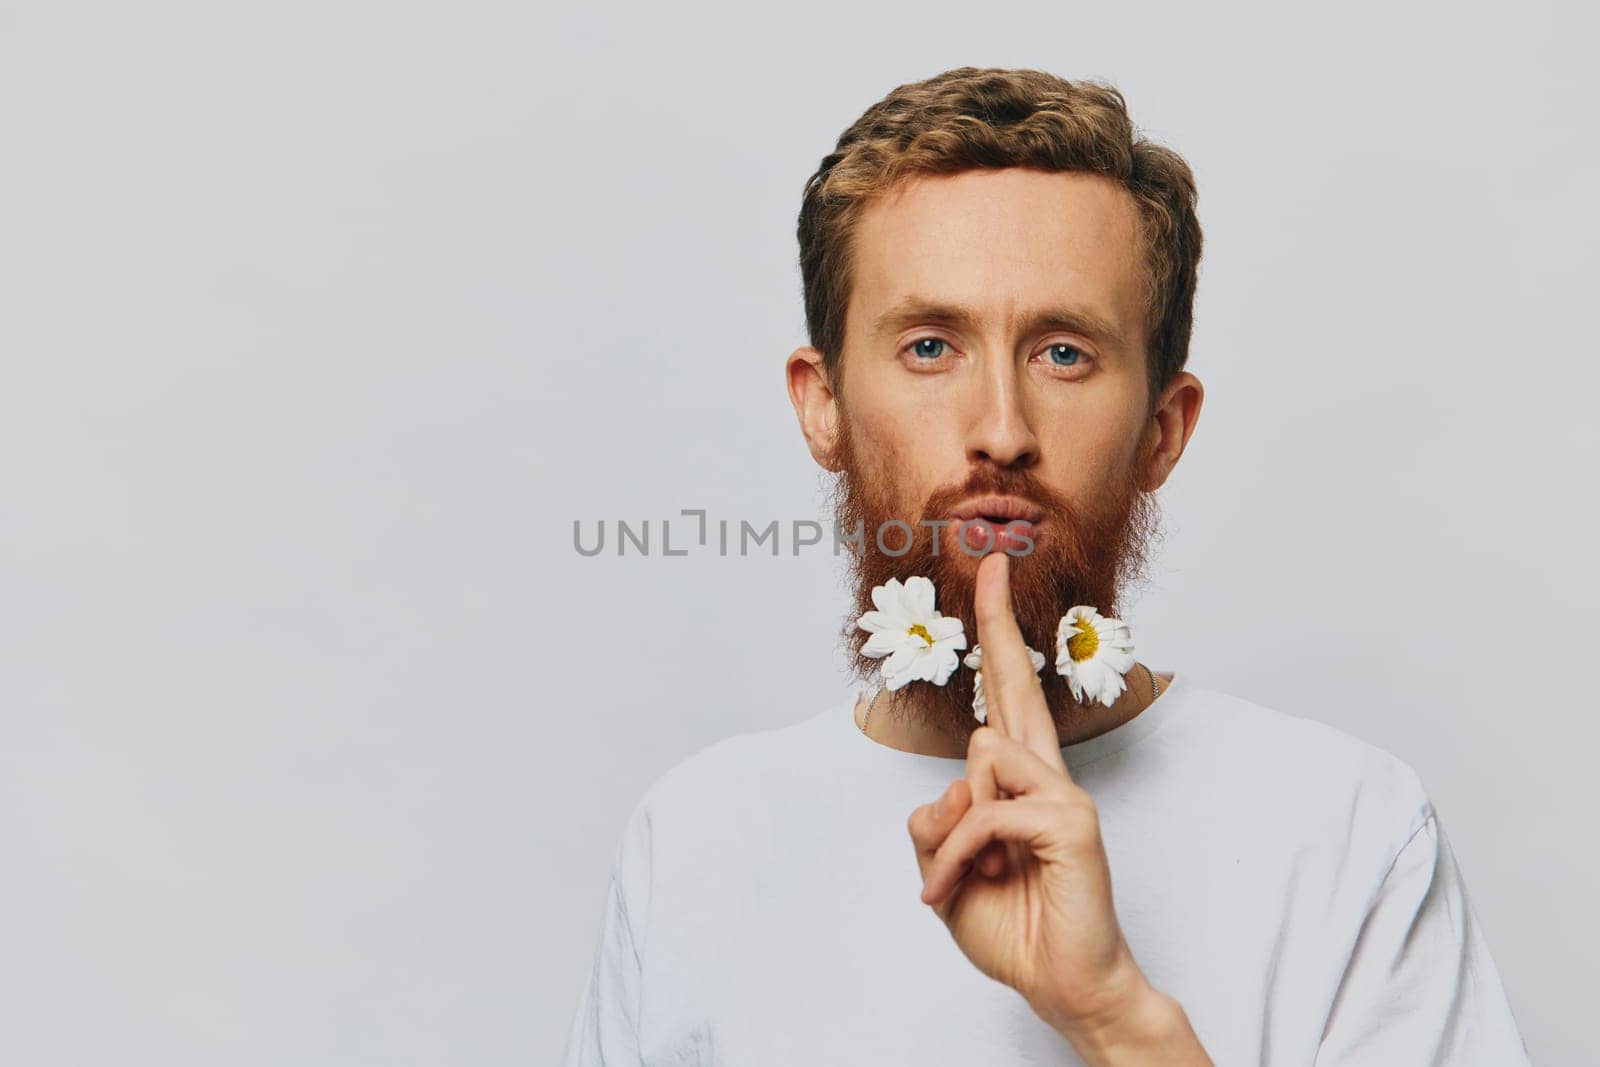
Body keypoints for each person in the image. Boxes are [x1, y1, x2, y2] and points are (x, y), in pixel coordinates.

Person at [560, 66, 1532, 1065]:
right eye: (931, 345)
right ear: (822, 405)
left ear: (1163, 428)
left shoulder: (1348, 832)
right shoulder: (696, 839)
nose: (1001, 431)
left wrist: (1111, 1011)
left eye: (1063, 352)